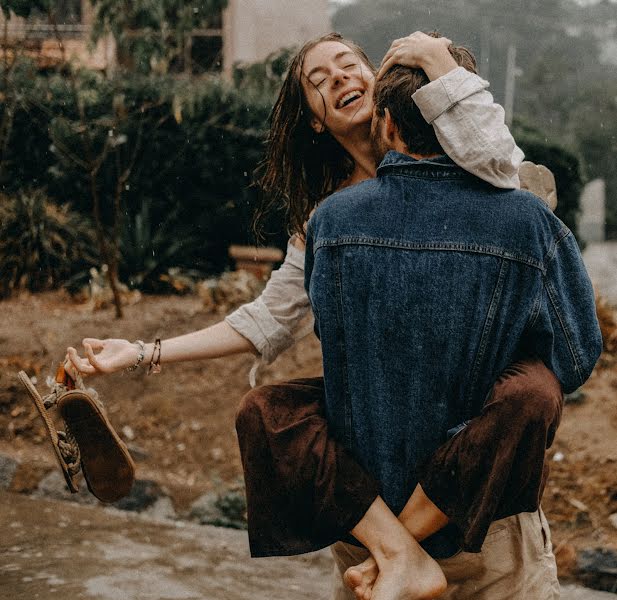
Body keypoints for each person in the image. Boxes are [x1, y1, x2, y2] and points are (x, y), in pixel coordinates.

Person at [65, 32, 572, 600]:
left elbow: (506, 166)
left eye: (349, 65)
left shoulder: (464, 153)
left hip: (473, 420)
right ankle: (399, 555)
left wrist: (435, 60)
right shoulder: (327, 220)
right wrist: (141, 352)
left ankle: (395, 552)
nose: (339, 80)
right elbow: (266, 320)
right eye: (318, 80)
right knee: (268, 413)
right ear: (312, 118)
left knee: (535, 392)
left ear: (380, 82)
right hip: (382, 418)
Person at [303, 49, 602, 599]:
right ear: (462, 114)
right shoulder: (526, 220)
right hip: (488, 534)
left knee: (273, 409)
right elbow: (577, 357)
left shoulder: (331, 222)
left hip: (369, 529)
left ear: (386, 123)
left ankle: (395, 556)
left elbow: (333, 342)